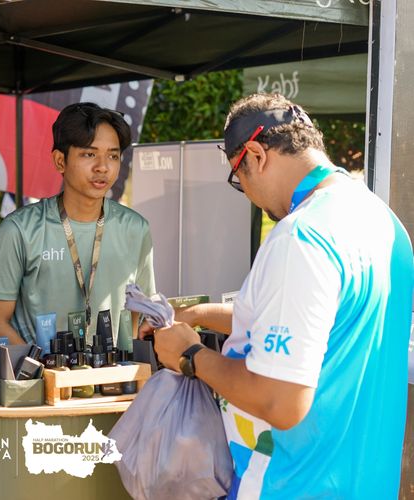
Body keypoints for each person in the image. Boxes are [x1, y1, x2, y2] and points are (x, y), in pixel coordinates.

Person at [147, 93, 414, 498]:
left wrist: (191, 355)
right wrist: (199, 314)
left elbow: (280, 401)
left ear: (255, 155)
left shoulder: (301, 237)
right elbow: (317, 327)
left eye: (238, 179)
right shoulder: (383, 222)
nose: (246, 192)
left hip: (295, 484)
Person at [0, 102, 156, 352]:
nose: (103, 167)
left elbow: (141, 311)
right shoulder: (19, 231)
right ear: (60, 160)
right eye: (89, 154)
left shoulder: (136, 229)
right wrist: (44, 369)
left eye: (113, 156)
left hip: (117, 375)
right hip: (40, 374)